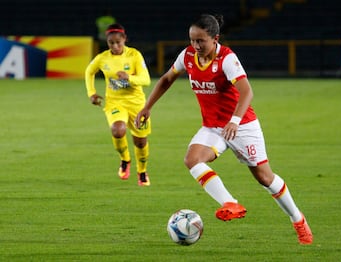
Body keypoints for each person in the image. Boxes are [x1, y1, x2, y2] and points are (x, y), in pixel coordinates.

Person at [135, 14, 313, 244]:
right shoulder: (188, 55)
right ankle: (230, 203)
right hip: (213, 127)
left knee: (265, 178)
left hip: (242, 126)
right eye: (192, 40)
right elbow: (167, 79)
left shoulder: (227, 59)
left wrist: (234, 121)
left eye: (201, 41)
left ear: (215, 39)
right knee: (192, 159)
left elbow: (247, 91)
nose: (196, 46)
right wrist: (147, 107)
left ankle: (298, 219)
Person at [85, 23, 151, 186]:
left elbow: (146, 80)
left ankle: (142, 171)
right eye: (111, 43)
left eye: (118, 42)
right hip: (115, 102)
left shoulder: (134, 55)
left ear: (124, 40)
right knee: (117, 130)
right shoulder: (103, 58)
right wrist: (91, 93)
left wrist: (129, 78)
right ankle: (125, 160)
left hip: (136, 104)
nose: (114, 46)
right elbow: (89, 71)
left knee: (140, 142)